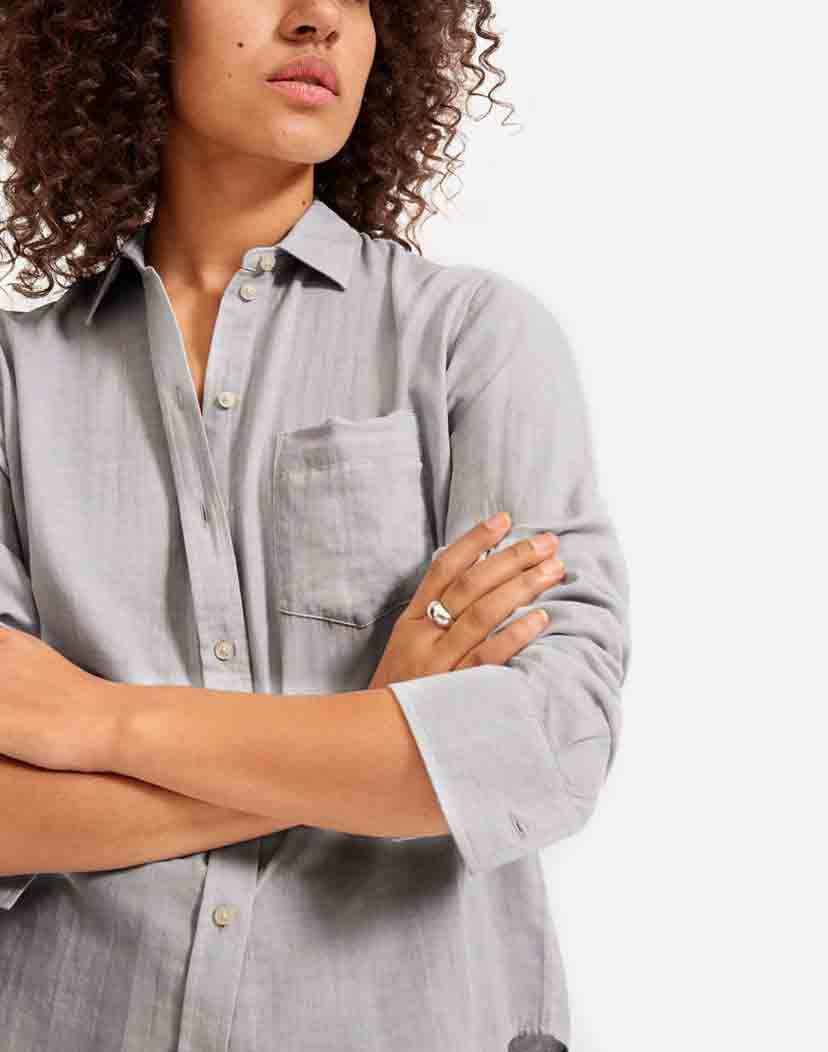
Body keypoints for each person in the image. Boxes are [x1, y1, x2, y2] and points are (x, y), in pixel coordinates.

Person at [0, 2, 631, 1050]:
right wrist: (375, 738)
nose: (319, 19)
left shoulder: (473, 342)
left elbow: (541, 749)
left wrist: (99, 724)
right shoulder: (14, 385)